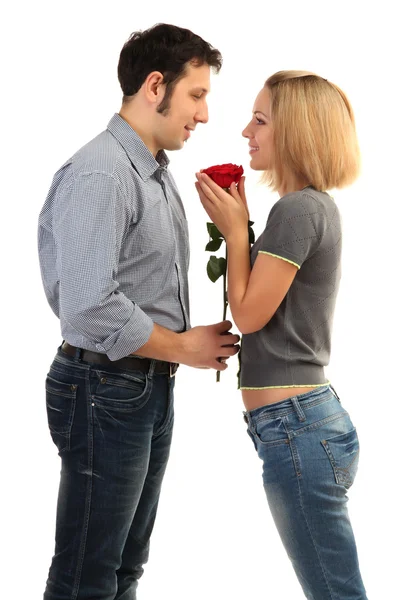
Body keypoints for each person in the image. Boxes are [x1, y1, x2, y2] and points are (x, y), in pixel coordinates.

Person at [38, 23, 240, 600]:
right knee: (88, 575)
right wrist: (183, 347)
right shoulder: (103, 172)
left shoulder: (151, 172)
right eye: (196, 95)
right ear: (156, 86)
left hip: (140, 386)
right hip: (104, 386)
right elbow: (89, 306)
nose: (203, 114)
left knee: (124, 568)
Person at [195, 71, 367, 599]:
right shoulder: (308, 208)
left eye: (261, 119)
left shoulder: (298, 210)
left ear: (295, 130)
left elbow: (248, 314)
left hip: (298, 428)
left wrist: (233, 232)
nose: (247, 129)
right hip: (298, 424)